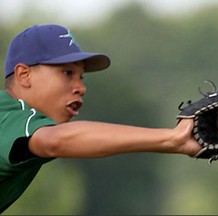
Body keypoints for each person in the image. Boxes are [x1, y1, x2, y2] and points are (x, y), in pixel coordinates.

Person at [0, 24, 202, 213]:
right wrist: (173, 139)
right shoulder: (9, 116)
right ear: (24, 75)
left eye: (81, 77)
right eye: (67, 73)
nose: (81, 88)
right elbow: (54, 140)